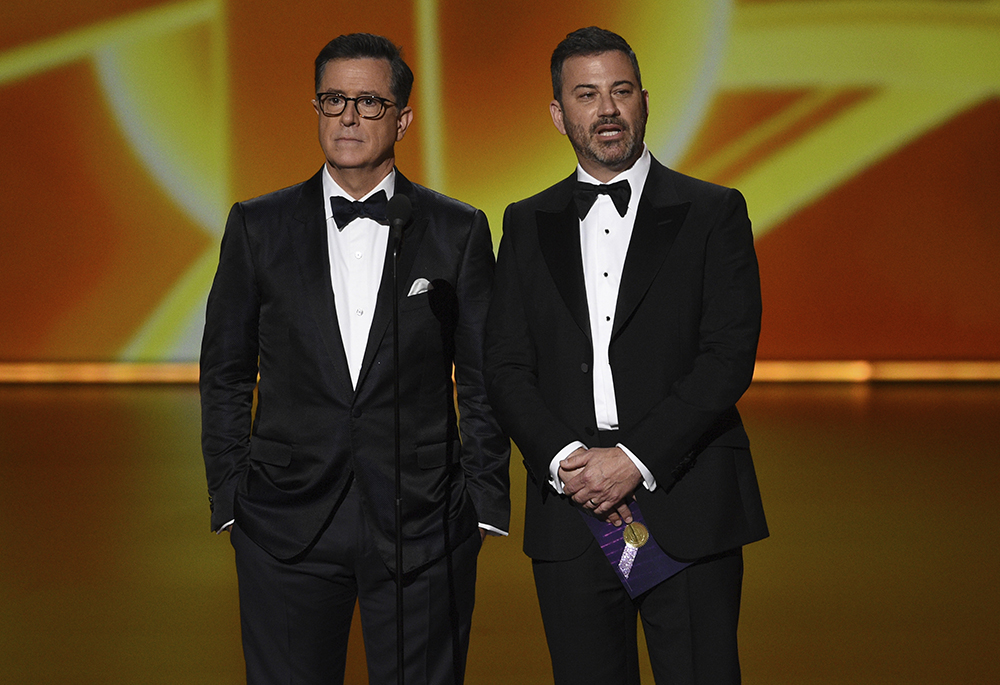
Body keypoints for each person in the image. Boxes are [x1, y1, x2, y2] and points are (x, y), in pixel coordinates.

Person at [200, 33, 510, 685]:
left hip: (424, 518)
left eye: (369, 101)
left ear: (402, 118)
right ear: (316, 108)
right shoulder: (258, 225)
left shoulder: (458, 229)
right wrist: (232, 495)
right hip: (283, 519)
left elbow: (483, 374)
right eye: (334, 98)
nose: (348, 115)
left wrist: (482, 500)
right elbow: (226, 368)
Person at [484, 26, 768, 684]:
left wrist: (634, 460)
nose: (606, 108)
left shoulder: (714, 211)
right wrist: (567, 461)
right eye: (586, 94)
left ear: (644, 100)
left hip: (687, 500)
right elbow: (504, 364)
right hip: (571, 509)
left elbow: (727, 356)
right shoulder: (526, 221)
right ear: (559, 113)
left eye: (620, 91)